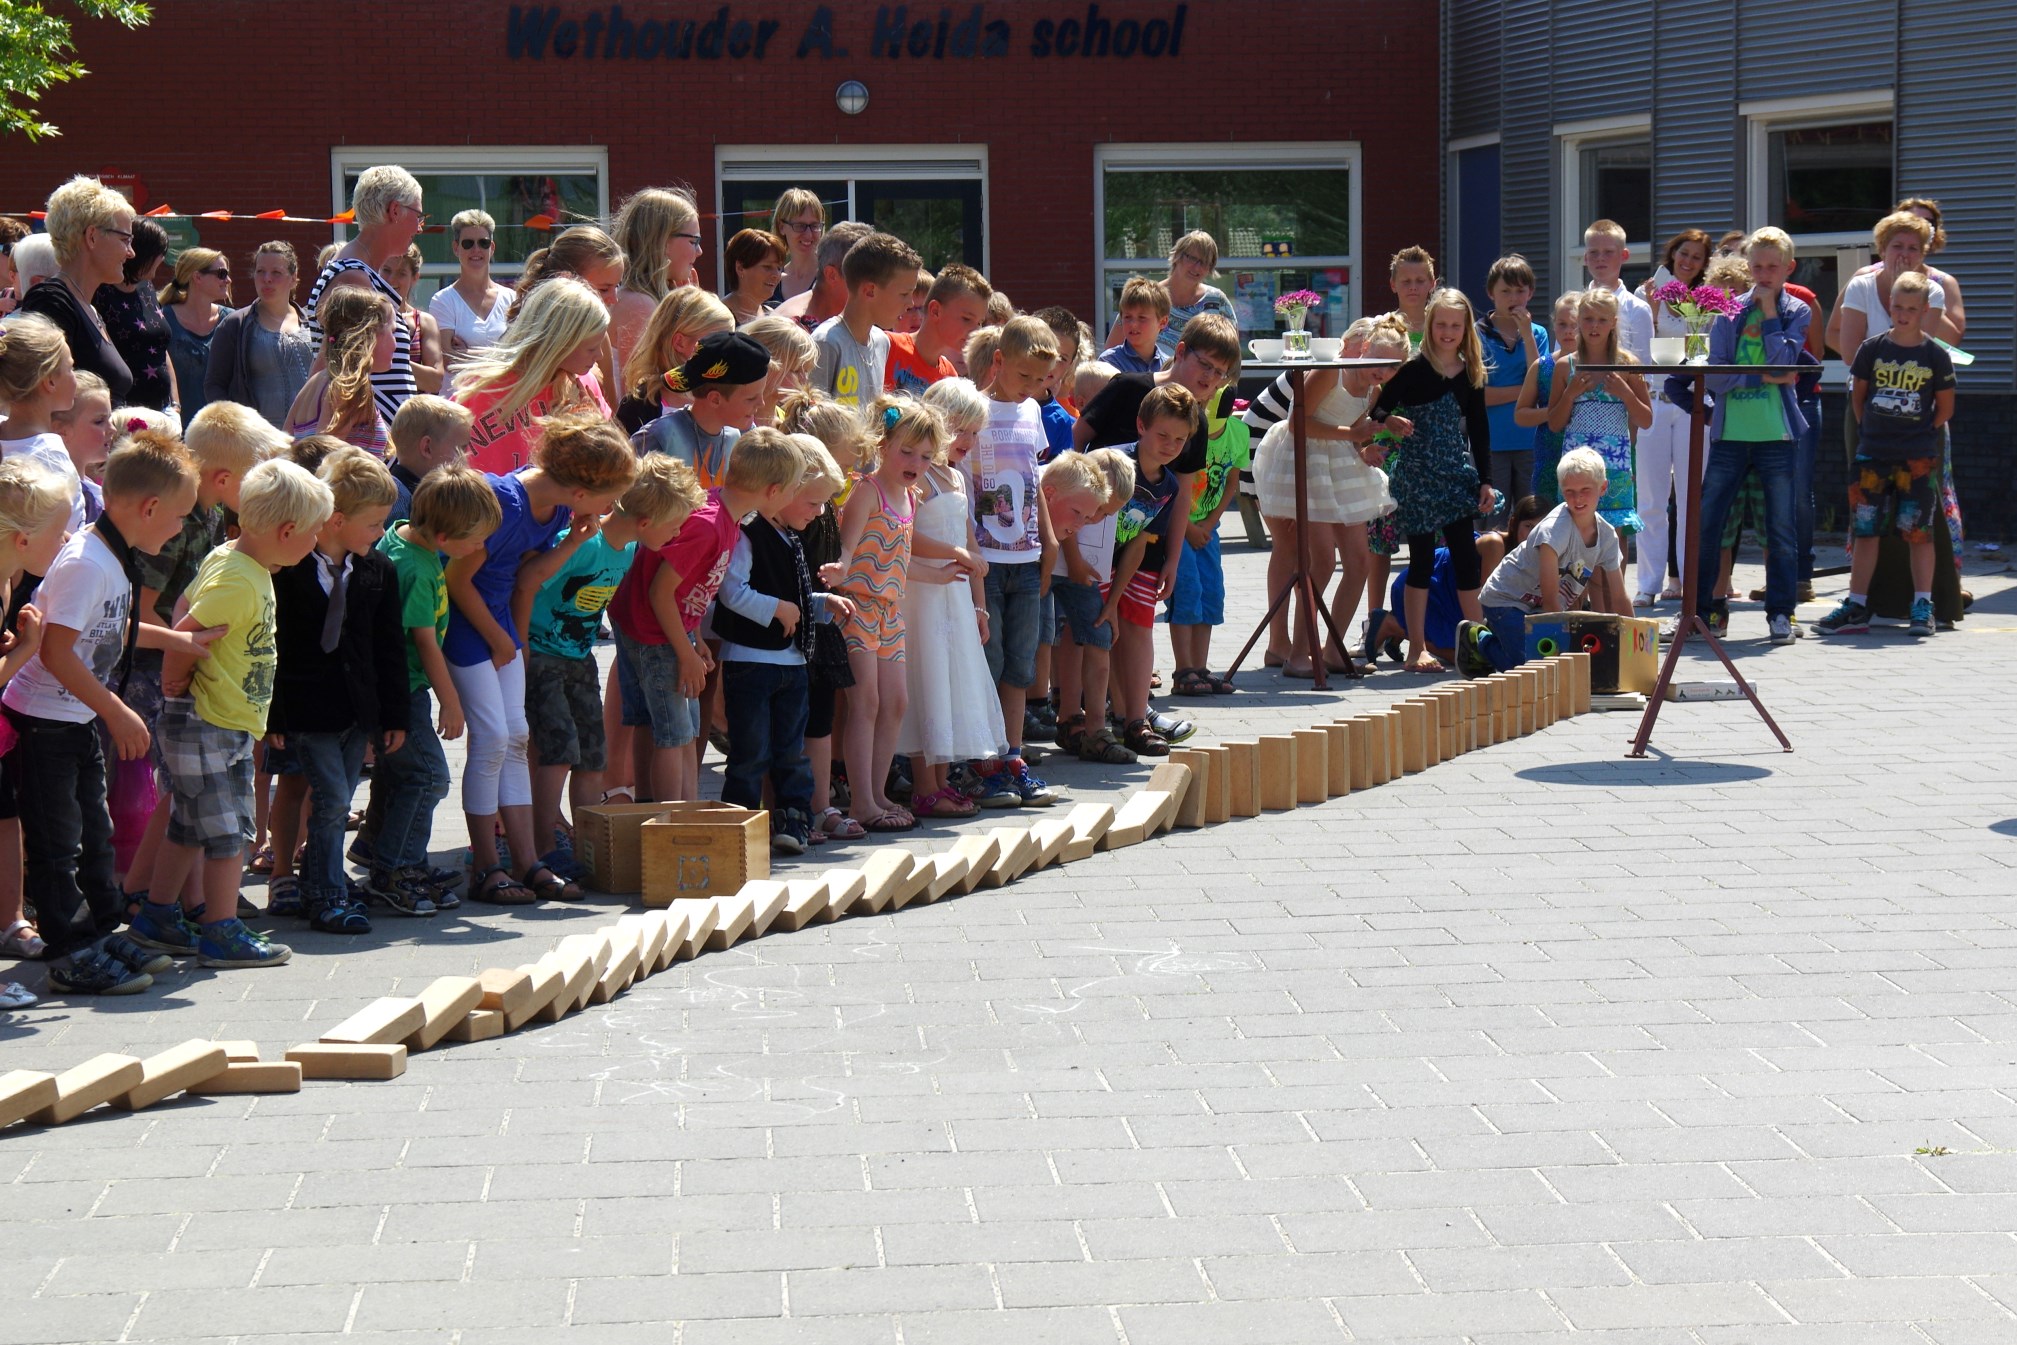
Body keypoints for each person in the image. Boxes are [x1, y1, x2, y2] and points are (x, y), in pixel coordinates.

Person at [3, 433, 215, 995]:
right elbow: (55, 649)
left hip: (74, 718)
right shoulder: (88, 564)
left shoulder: (113, 557)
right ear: (148, 509)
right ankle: (71, 950)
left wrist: (175, 640)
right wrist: (116, 710)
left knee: (96, 832)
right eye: (177, 518)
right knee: (60, 842)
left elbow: (110, 627)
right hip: (44, 721)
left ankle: (99, 931)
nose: (178, 528)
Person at [125, 458, 331, 967]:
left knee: (188, 825)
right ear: (286, 531)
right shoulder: (239, 580)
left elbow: (180, 610)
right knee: (227, 833)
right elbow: (187, 625)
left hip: (220, 722)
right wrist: (175, 678)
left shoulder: (234, 560)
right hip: (208, 723)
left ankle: (156, 916)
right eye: (313, 533)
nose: (316, 541)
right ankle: (221, 930)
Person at [448, 410, 636, 904]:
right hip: (472, 634)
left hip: (503, 635)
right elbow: (457, 581)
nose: (612, 508)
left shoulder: (556, 512)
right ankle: (487, 864)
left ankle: (528, 859)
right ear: (580, 492)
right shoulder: (504, 503)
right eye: (609, 498)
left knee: (515, 739)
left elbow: (527, 575)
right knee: (491, 740)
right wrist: (502, 639)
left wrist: (574, 540)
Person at [118, 401, 288, 921]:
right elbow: (143, 611)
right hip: (157, 669)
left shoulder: (212, 514)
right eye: (253, 480)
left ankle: (160, 894)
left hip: (182, 661)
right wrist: (182, 661)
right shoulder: (181, 515)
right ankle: (172, 899)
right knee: (186, 796)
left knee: (184, 797)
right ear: (223, 477)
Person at [518, 455, 701, 876]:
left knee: (593, 756)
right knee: (558, 748)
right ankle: (544, 843)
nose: (677, 534)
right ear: (645, 519)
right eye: (674, 524)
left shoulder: (632, 548)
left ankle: (586, 846)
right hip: (543, 654)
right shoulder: (583, 543)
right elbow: (527, 583)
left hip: (579, 657)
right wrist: (520, 648)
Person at [264, 450, 411, 931]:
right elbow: (275, 644)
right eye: (373, 525)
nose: (380, 534)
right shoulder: (287, 569)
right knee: (330, 801)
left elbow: (389, 647)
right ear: (336, 519)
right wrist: (275, 715)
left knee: (337, 796)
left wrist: (393, 716)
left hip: (356, 710)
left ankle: (319, 884)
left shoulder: (377, 570)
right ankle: (326, 895)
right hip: (308, 708)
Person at [608, 424, 786, 807]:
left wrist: (696, 639)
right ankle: (676, 821)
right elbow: (660, 591)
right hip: (654, 634)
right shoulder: (709, 524)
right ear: (773, 491)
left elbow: (684, 590)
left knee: (661, 725)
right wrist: (685, 651)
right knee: (677, 734)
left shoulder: (724, 514)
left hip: (660, 629)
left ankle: (654, 810)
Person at [368, 465, 500, 913]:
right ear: (444, 538)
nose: (480, 547)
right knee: (428, 777)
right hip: (404, 690)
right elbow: (424, 641)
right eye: (475, 540)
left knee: (398, 774)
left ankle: (382, 851)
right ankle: (395, 868)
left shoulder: (401, 538)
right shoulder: (418, 570)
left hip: (396, 685)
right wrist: (452, 701)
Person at [1245, 317, 1405, 677]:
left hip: (1339, 465)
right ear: (1362, 349)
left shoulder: (1373, 391)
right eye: (1377, 360)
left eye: (1392, 366)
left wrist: (1364, 446)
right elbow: (1296, 423)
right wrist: (1353, 432)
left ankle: (1333, 650)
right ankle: (1299, 654)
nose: (1382, 370)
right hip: (1304, 461)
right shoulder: (1330, 372)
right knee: (1320, 560)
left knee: (1359, 561)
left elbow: (1352, 434)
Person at [716, 435, 854, 851]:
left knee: (791, 751)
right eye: (810, 502)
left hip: (791, 666)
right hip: (752, 662)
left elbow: (790, 598)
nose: (817, 513)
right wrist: (778, 608)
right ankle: (738, 825)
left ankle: (793, 819)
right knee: (750, 752)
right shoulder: (749, 533)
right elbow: (732, 591)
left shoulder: (790, 538)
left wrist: (818, 601)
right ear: (780, 491)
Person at [1815, 270, 1955, 641]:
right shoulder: (1872, 348)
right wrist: (1872, 433)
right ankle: (1857, 604)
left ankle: (1922, 605)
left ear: (1925, 310)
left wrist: (1918, 434)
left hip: (1917, 459)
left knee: (1919, 533)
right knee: (1866, 531)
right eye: (1897, 306)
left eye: (1912, 308)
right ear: (1889, 305)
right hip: (1873, 457)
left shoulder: (1935, 355)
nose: (1903, 314)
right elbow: (1858, 398)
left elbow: (1944, 409)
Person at [1361, 288, 1494, 672]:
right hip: (1418, 476)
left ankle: (1478, 641)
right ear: (1430, 326)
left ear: (1466, 328)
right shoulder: (1414, 369)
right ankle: (1417, 647)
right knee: (1420, 560)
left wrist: (1485, 481)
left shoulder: (1471, 371)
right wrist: (1389, 421)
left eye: (1456, 325)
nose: (1448, 332)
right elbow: (1378, 408)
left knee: (1466, 558)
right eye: (1441, 324)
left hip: (1453, 475)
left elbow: (1480, 430)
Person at [967, 316, 1070, 806]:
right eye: (1025, 376)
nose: (1033, 387)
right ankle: (983, 763)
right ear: (1000, 361)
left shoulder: (1032, 411)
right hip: (985, 560)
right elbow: (964, 486)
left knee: (1020, 667)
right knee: (990, 661)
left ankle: (1012, 755)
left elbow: (1034, 480)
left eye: (1041, 379)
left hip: (1028, 559)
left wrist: (1049, 540)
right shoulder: (974, 410)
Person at [1695, 227, 1811, 646]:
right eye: (1756, 266)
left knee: (1780, 528)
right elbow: (1717, 379)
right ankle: (1705, 612)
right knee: (1710, 525)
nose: (1763, 274)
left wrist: (1769, 316)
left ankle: (1781, 613)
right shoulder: (1728, 312)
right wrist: (1764, 374)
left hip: (1775, 435)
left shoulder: (1797, 311)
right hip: (1730, 435)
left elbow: (1786, 360)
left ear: (1787, 269)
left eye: (1771, 267)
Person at [826, 397, 936, 831]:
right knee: (866, 703)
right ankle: (862, 802)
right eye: (906, 451)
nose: (915, 462)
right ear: (883, 444)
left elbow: (903, 559)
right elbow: (848, 546)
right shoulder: (867, 490)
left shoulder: (911, 495)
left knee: (896, 702)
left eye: (926, 456)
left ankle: (877, 792)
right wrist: (841, 566)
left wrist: (945, 571)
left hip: (890, 613)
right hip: (857, 608)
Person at [907, 379, 1011, 808]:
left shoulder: (955, 477)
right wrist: (955, 554)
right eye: (961, 429)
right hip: (922, 593)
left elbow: (971, 543)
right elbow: (906, 535)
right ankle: (923, 786)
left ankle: (942, 778)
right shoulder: (917, 475)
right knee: (926, 678)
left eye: (974, 431)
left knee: (950, 680)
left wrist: (980, 605)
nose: (968, 440)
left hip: (954, 597)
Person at [0, 460, 76, 995]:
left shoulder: (7, 579)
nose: (68, 538)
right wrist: (24, 651)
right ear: (24, 539)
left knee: (7, 818)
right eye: (59, 531)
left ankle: (8, 922)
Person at [1456, 448, 1633, 677]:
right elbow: (1551, 599)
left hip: (1537, 607)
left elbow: (1619, 598)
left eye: (1585, 491)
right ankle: (1479, 640)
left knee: (1551, 665)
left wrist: (1633, 650)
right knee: (1532, 671)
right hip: (1506, 599)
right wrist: (1562, 654)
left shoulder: (1607, 536)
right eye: (1570, 492)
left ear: (1603, 488)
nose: (1577, 499)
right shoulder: (1554, 531)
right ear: (1561, 491)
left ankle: (1506, 641)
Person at [1101, 384, 1198, 757]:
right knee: (1102, 634)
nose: (1170, 445)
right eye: (1162, 435)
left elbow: (1140, 539)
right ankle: (1106, 713)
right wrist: (1105, 594)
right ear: (1141, 426)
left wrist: (1120, 592)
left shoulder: (1169, 484)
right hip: (1093, 561)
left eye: (1179, 439)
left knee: (1139, 627)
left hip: (1133, 561)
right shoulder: (1112, 462)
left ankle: (1136, 719)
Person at [453, 275, 613, 475]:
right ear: (560, 343)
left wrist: (595, 425)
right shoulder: (482, 388)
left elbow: (612, 465)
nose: (600, 355)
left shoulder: (583, 385)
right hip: (489, 504)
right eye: (591, 348)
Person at [304, 164, 425, 421]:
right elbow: (336, 368)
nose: (419, 228)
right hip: (367, 445)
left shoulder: (357, 271)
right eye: (418, 216)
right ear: (395, 211)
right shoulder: (354, 278)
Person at [1634, 228, 1713, 604]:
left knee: (1689, 499)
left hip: (1690, 406)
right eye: (1684, 253)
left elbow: (1699, 359)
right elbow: (1645, 355)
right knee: (1650, 500)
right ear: (1673, 252)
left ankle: (1688, 587)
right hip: (1652, 400)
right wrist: (1652, 312)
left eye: (1697, 257)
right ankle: (1648, 584)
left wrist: (1674, 339)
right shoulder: (1647, 290)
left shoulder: (1708, 298)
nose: (1688, 261)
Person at [17, 176, 136, 407]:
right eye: (125, 239)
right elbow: (46, 395)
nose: (131, 252)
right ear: (92, 236)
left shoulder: (88, 306)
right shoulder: (52, 301)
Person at [1046, 447, 1132, 765]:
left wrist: (1111, 601)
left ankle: (1096, 729)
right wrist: (1075, 560)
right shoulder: (1078, 495)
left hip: (1081, 573)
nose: (1096, 519)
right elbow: (1071, 523)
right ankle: (1042, 717)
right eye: (1100, 511)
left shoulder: (1108, 508)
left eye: (1105, 515)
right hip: (1053, 563)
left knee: (1099, 633)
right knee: (1039, 638)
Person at [1167, 387, 1253, 697]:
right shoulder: (1188, 434)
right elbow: (1172, 481)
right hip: (1179, 526)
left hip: (1207, 528)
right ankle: (1183, 670)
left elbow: (1232, 482)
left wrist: (1210, 522)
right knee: (1186, 592)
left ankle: (1200, 669)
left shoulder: (1239, 432)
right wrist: (1189, 527)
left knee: (1211, 593)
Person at [1547, 288, 1650, 540]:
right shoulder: (1565, 366)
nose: (1594, 326)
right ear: (1578, 321)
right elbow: (1554, 423)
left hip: (1615, 464)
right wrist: (1570, 394)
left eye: (1602, 320)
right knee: (1577, 531)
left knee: (1614, 534)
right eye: (1588, 319)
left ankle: (1616, 582)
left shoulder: (1628, 365)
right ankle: (1583, 582)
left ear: (1613, 323)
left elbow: (1646, 419)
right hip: (1577, 465)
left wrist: (1626, 394)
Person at [634, 330, 770, 487]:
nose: (761, 404)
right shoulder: (661, 437)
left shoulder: (736, 438)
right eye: (751, 398)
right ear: (715, 399)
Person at [206, 241, 315, 428]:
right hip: (259, 440)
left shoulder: (313, 324)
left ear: (293, 277)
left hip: (311, 435)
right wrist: (234, 427)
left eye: (276, 273)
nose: (267, 279)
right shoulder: (235, 324)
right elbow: (214, 385)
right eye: (260, 271)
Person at [0, 315, 89, 528]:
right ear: (49, 381)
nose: (75, 376)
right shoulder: (50, 457)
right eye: (70, 368)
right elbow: (63, 536)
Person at [813, 232, 920, 409]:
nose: (910, 304)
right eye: (904, 294)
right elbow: (808, 421)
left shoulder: (882, 341)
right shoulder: (827, 342)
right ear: (870, 291)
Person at [285, 287, 396, 457]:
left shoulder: (315, 382)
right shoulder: (349, 388)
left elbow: (283, 446)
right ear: (370, 334)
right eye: (393, 332)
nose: (397, 343)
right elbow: (325, 455)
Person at [1477, 255, 1549, 514]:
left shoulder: (1538, 333)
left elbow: (1541, 382)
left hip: (1530, 441)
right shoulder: (1476, 335)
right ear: (1490, 293)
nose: (1513, 298)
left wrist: (1527, 336)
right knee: (1491, 518)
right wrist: (1523, 392)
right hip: (1490, 442)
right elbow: (1477, 396)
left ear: (1530, 293)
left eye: (1520, 291)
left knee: (1531, 515)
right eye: (1505, 291)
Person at [612, 187, 703, 378]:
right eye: (694, 241)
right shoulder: (638, 302)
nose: (699, 251)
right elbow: (640, 389)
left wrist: (689, 312)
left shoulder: (646, 299)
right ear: (663, 241)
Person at [615, 287, 733, 434]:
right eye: (717, 342)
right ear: (680, 343)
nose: (727, 351)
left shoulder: (729, 394)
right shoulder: (640, 404)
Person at [1107, 231, 1235, 363]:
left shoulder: (1218, 302)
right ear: (1177, 256)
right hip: (1147, 381)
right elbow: (1110, 353)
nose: (1197, 267)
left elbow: (1232, 355)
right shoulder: (1147, 297)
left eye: (1204, 262)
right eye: (1191, 258)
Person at [93, 218, 178, 417]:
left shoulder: (146, 287)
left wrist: (175, 405)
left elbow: (161, 349)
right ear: (144, 254)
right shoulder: (100, 293)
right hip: (123, 412)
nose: (162, 259)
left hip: (162, 409)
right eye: (159, 253)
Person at [887, 264, 992, 394]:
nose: (975, 331)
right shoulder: (888, 347)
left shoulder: (949, 377)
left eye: (980, 322)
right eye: (966, 319)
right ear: (935, 311)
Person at [429, 210, 513, 364]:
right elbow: (447, 360)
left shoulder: (512, 299)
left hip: (504, 389)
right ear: (456, 248)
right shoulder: (443, 301)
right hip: (459, 388)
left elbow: (522, 355)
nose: (476, 250)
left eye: (483, 243)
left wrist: (466, 354)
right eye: (468, 244)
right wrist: (503, 355)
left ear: (492, 247)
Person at [158, 248, 231, 421]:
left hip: (224, 431)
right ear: (197, 277)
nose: (228, 280)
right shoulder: (161, 319)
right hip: (178, 430)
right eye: (221, 274)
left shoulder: (232, 321)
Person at [383, 394, 473, 524]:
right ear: (427, 448)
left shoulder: (432, 496)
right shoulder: (395, 500)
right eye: (460, 449)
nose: (465, 458)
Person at [776, 221, 868, 335]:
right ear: (831, 275)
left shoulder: (860, 320)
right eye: (866, 277)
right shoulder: (790, 327)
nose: (874, 289)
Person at [377, 245, 447, 395]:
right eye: (386, 270)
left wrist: (388, 359)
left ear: (415, 278)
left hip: (410, 416)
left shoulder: (424, 322)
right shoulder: (363, 317)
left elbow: (435, 382)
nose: (391, 280)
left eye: (401, 273)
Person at [1581, 219, 1652, 363]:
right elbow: (1560, 359)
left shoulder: (1637, 309)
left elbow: (1644, 372)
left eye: (1608, 252)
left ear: (1624, 255)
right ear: (1586, 258)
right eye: (1594, 252)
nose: (1600, 258)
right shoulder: (1574, 305)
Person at [51, 369, 113, 519]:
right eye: (99, 421)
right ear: (62, 430)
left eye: (110, 419)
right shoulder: (63, 498)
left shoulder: (89, 487)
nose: (112, 429)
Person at [740, 313, 817, 423]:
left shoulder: (790, 422)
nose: (803, 380)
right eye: (795, 371)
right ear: (767, 365)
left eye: (806, 372)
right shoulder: (734, 424)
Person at [1099, 277, 1167, 375]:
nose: (1133, 324)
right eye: (1127, 317)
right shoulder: (1109, 362)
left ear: (1162, 322)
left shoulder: (1168, 367)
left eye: (1142, 318)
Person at [770, 187, 827, 302]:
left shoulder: (830, 278)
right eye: (800, 226)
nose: (808, 234)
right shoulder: (771, 279)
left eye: (815, 226)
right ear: (781, 227)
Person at [722, 228, 786, 326]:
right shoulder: (717, 318)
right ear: (740, 268)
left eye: (778, 268)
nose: (776, 275)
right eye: (767, 267)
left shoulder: (775, 315)